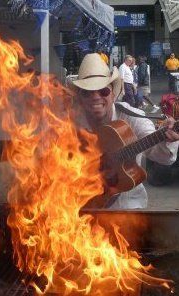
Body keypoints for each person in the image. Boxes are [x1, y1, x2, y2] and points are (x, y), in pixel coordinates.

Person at [71, 53, 179, 210]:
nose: (95, 97)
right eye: (87, 92)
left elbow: (162, 157)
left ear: (113, 93)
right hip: (82, 201)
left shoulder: (132, 118)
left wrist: (168, 138)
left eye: (103, 91)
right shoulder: (70, 122)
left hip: (127, 207)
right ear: (80, 98)